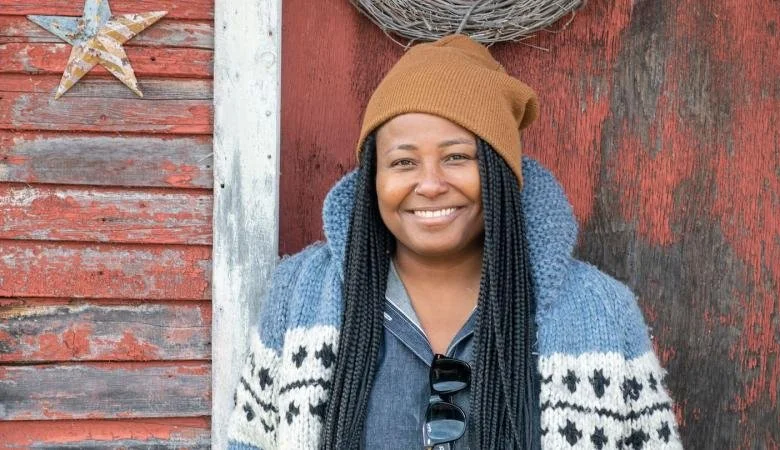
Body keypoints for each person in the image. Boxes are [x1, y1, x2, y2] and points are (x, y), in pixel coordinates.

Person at [226, 34, 682, 449]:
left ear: (500, 174)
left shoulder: (599, 310)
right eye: (403, 163)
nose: (429, 184)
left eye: (457, 157)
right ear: (373, 180)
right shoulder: (300, 297)